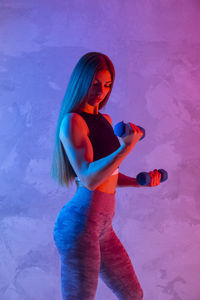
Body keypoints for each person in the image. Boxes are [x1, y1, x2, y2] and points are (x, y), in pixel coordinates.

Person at [51, 52, 161, 300]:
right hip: (78, 226)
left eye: (107, 85)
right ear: (82, 82)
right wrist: (126, 147)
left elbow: (107, 174)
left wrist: (137, 181)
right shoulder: (73, 122)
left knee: (133, 294)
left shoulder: (105, 119)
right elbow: (88, 178)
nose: (102, 91)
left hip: (103, 227)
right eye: (95, 84)